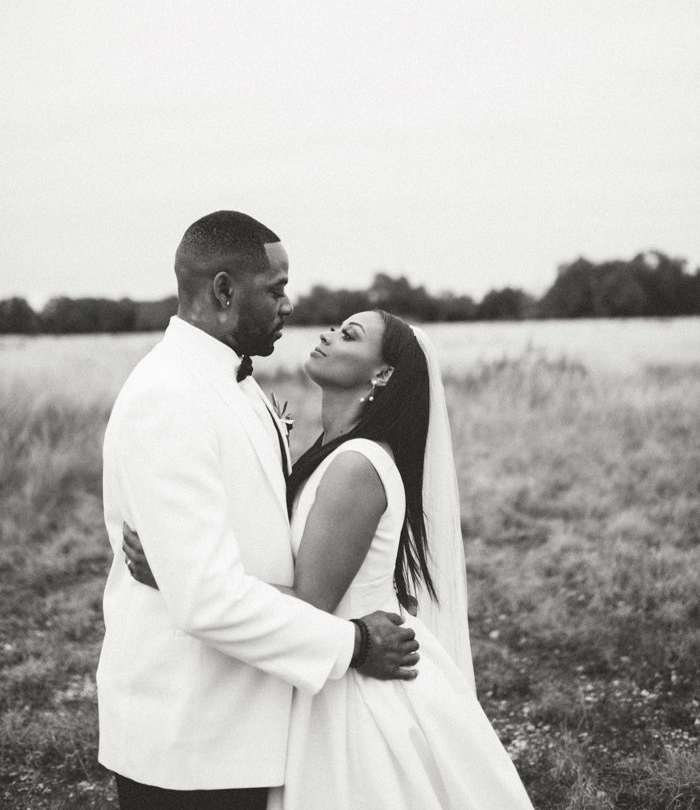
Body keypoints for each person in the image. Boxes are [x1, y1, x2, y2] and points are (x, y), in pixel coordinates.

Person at [126, 306, 535, 809]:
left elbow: (312, 601)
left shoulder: (356, 466)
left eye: (349, 336)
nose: (328, 335)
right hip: (324, 663)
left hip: (352, 690)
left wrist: (178, 572)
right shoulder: (332, 450)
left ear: (382, 374)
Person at [97, 212, 418, 810]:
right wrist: (353, 645)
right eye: (276, 289)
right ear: (224, 290)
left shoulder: (235, 384)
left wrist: (176, 570)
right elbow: (207, 600)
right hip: (190, 739)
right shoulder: (168, 398)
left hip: (247, 723)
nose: (290, 305)